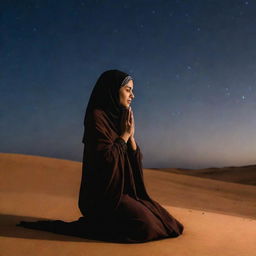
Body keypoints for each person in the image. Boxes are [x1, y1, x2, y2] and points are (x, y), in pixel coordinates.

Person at [16, 69, 184, 243]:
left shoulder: (119, 118)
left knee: (168, 222)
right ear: (112, 90)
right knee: (146, 226)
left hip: (123, 191)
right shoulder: (96, 118)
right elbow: (106, 160)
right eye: (128, 89)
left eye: (132, 90)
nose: (132, 95)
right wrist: (124, 136)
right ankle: (99, 223)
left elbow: (133, 159)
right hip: (104, 196)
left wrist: (131, 137)